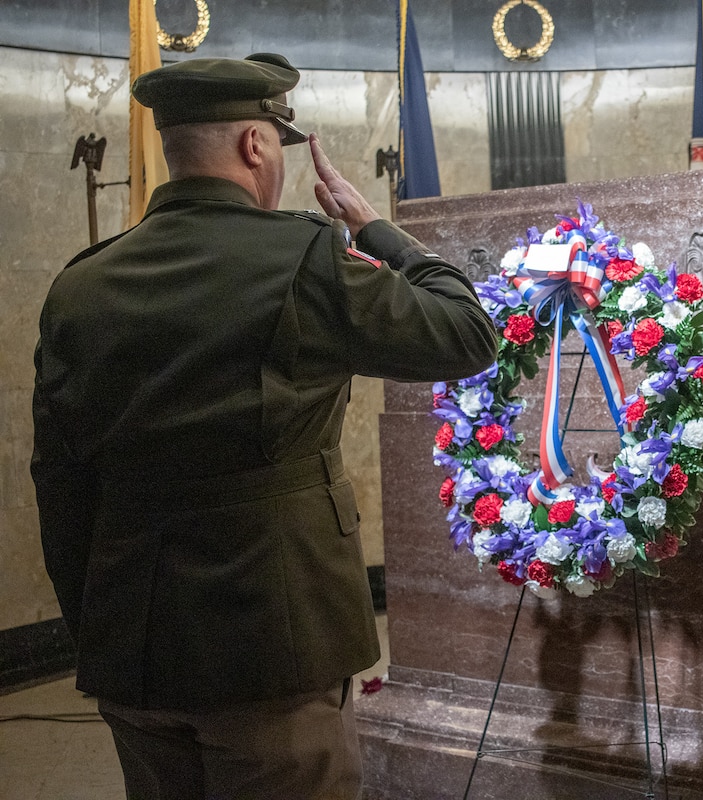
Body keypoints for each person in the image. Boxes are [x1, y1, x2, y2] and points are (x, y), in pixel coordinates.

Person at [30, 53, 497, 799]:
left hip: (135, 648)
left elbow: (59, 483)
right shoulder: (303, 258)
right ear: (255, 145)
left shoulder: (80, 284)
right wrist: (375, 229)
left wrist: (102, 639)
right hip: (276, 649)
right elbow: (468, 334)